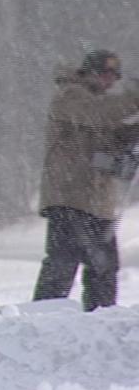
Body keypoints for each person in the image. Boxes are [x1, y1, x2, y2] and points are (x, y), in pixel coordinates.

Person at [33, 49, 139, 311]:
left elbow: (111, 141)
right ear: (88, 73)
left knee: (103, 267)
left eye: (114, 76)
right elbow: (99, 115)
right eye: (104, 74)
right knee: (63, 262)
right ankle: (45, 315)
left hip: (99, 203)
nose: (110, 81)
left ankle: (98, 316)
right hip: (69, 197)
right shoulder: (69, 96)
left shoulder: (99, 106)